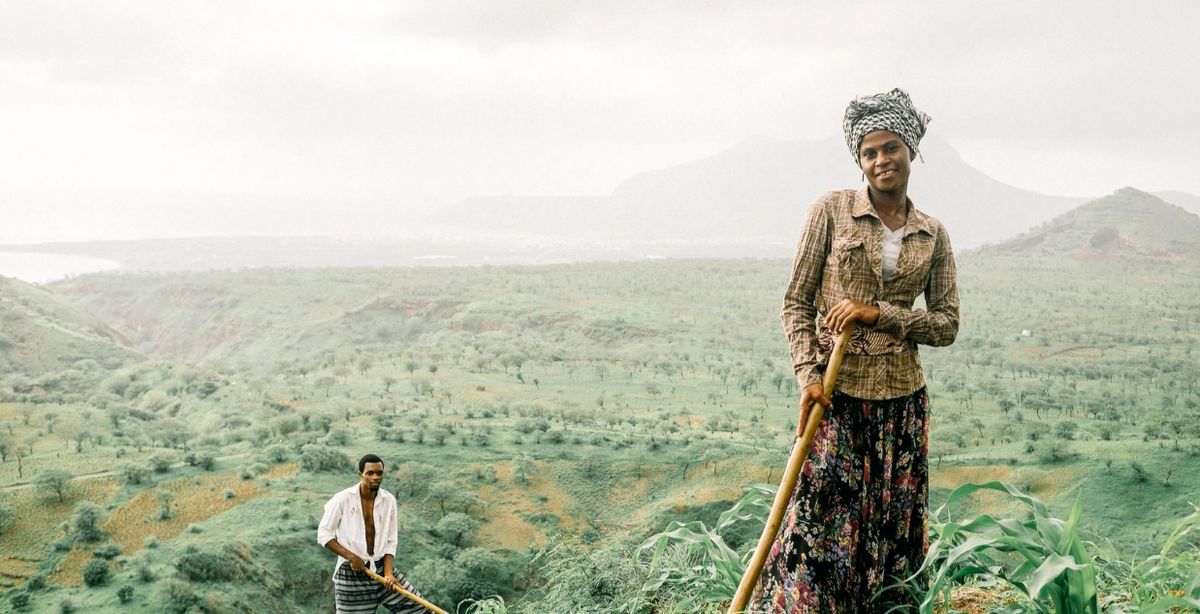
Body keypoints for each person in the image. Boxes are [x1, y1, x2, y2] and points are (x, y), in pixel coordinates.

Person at [750, 88, 959, 612]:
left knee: (892, 524)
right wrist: (808, 377)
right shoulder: (831, 210)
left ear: (911, 150)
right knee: (820, 522)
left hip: (902, 402)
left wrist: (878, 313)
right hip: (836, 395)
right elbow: (796, 303)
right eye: (869, 152)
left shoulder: (932, 234)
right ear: (859, 161)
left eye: (890, 148)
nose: (881, 160)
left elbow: (946, 325)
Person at [318, 453, 432, 614]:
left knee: (421, 610)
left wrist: (388, 574)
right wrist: (352, 557)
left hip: (381, 570)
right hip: (352, 573)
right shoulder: (343, 499)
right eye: (370, 473)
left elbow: (391, 541)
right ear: (360, 474)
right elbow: (324, 534)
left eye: (379, 473)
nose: (375, 477)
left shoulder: (389, 500)